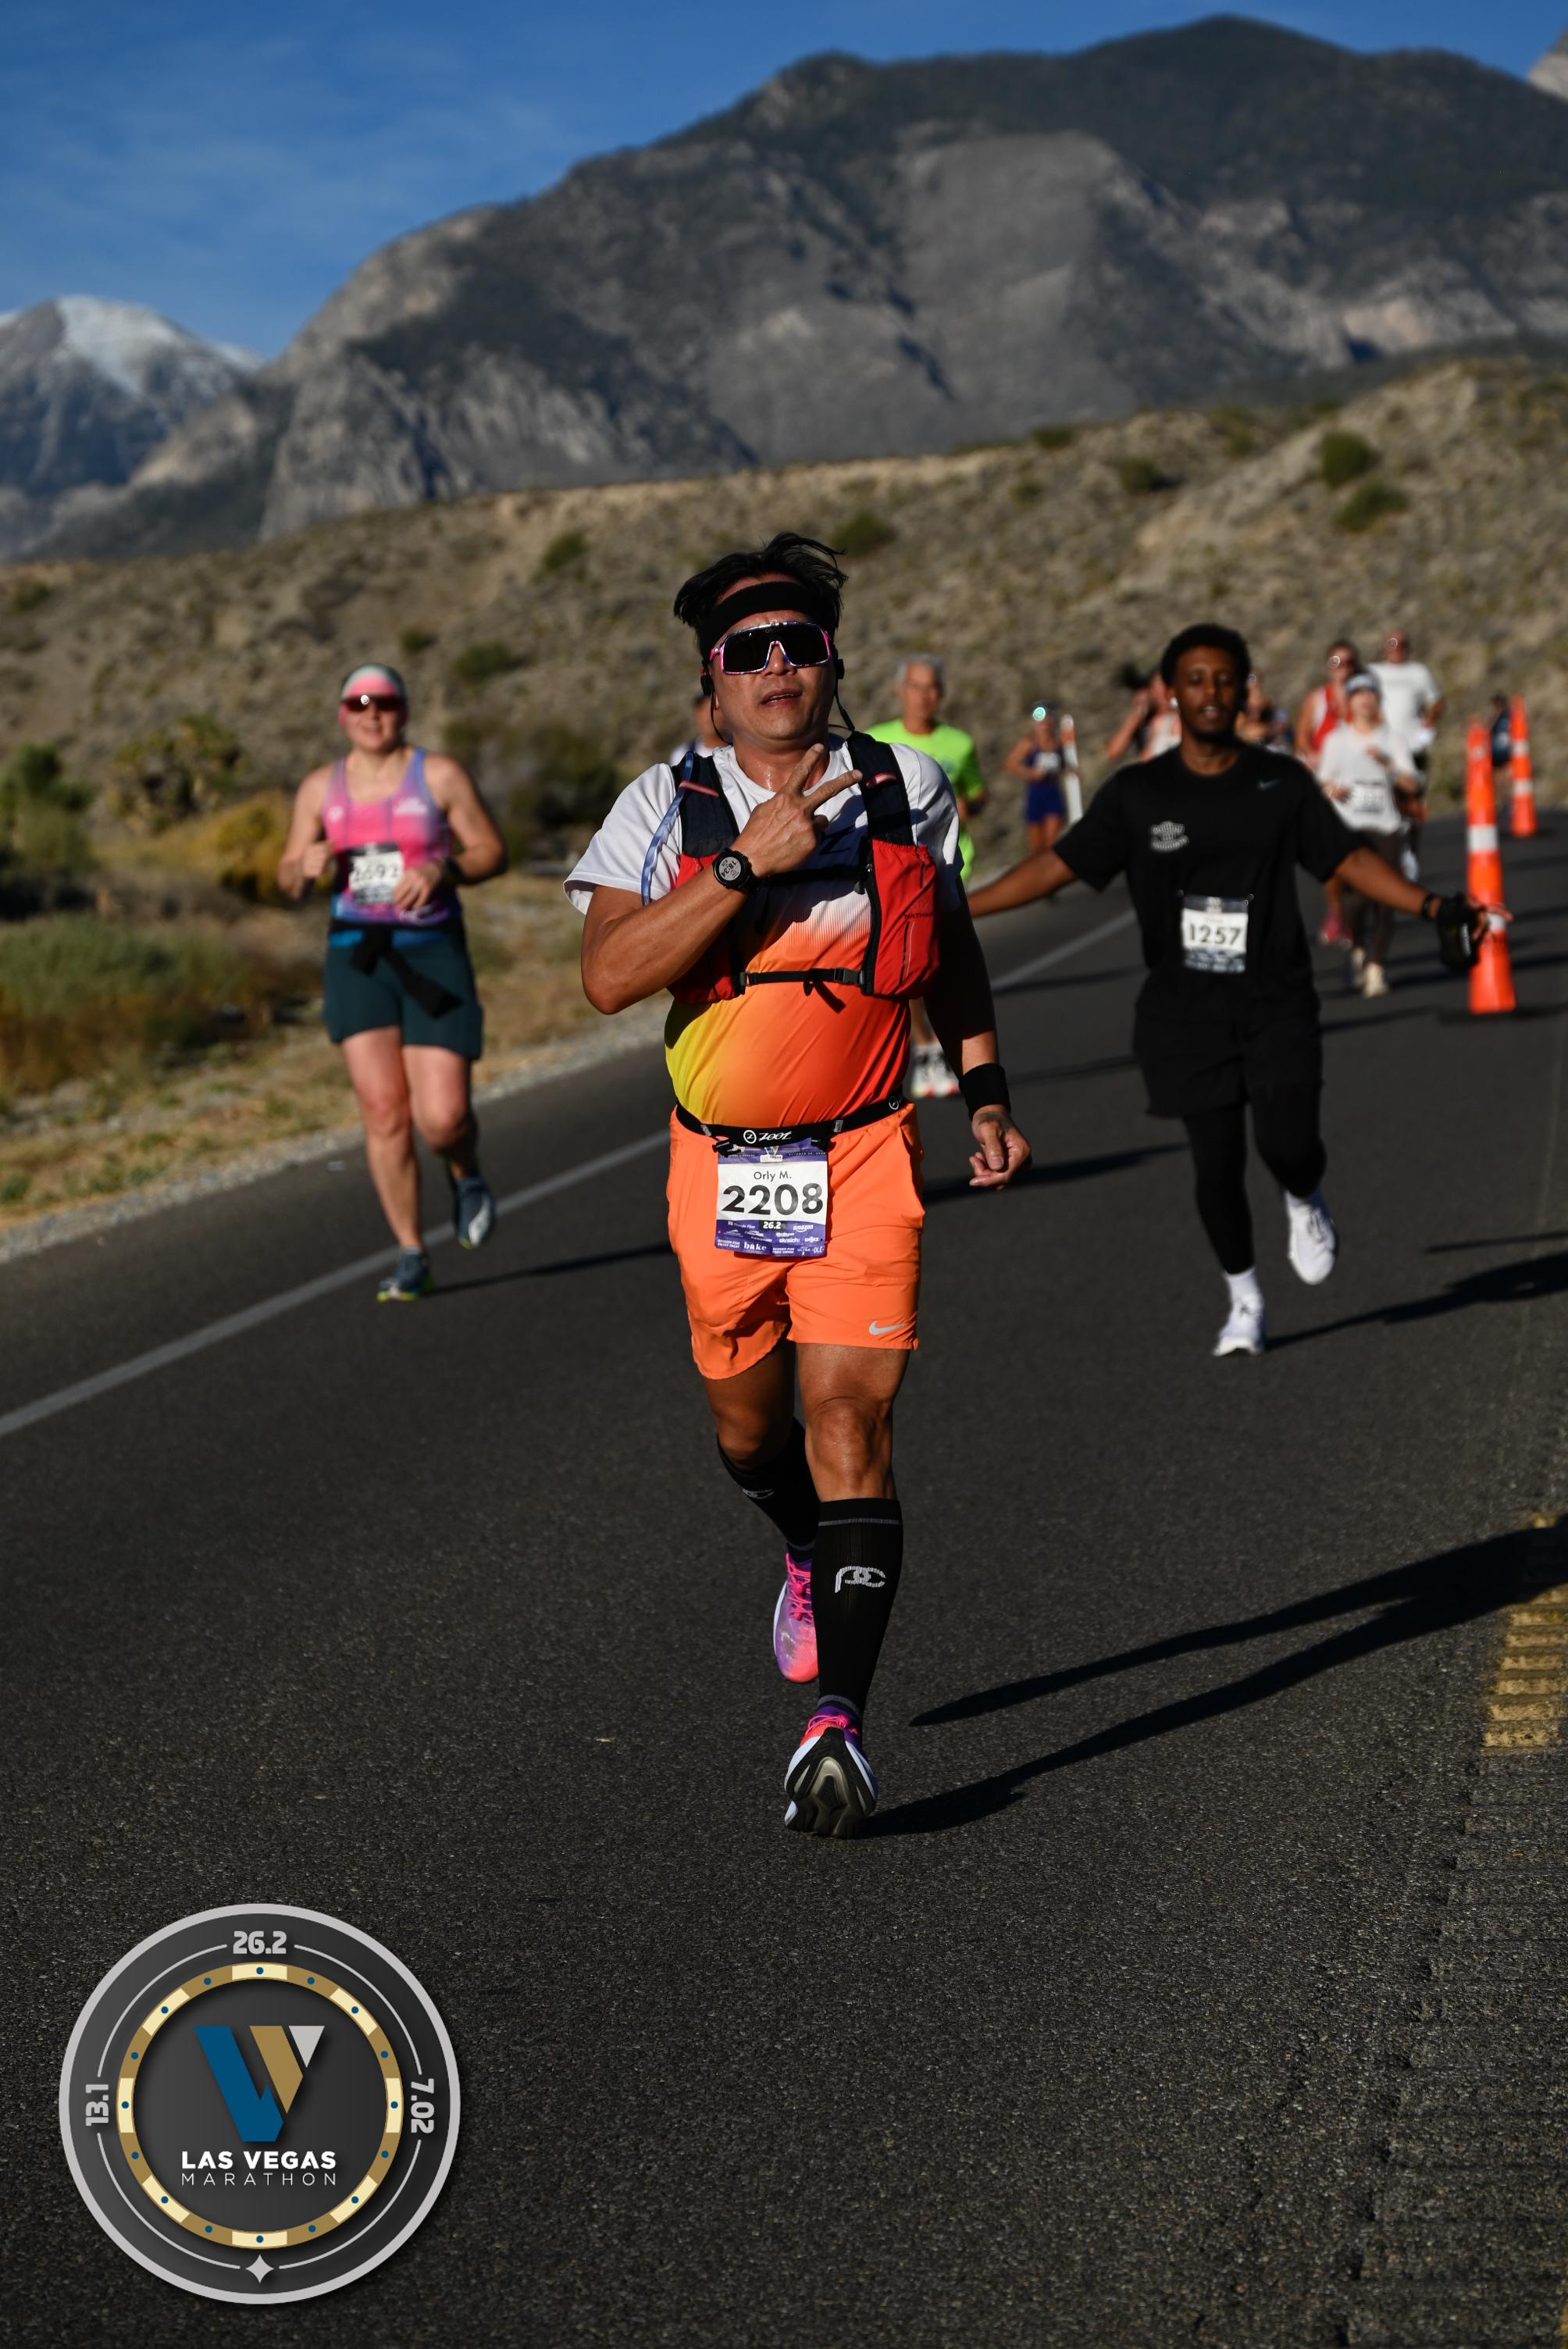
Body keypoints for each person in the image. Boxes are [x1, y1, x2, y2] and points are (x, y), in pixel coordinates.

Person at [566, 534, 1030, 1836]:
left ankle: (839, 1725)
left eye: (799, 643)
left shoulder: (905, 786)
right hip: (719, 1164)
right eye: (747, 650)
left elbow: (950, 948)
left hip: (866, 1148)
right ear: (711, 683)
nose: (777, 667)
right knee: (747, 1432)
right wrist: (741, 865)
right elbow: (607, 979)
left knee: (850, 1424)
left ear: (831, 662)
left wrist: (986, 1087)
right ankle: (798, 1544)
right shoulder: (661, 806)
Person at [968, 622, 1485, 1359]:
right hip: (1184, 1012)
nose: (1210, 692)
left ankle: (1302, 1196)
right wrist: (962, 906)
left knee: (1289, 1145)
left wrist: (1434, 906)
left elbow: (1348, 860)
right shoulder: (1140, 793)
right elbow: (1059, 865)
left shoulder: (1280, 783)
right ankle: (1245, 1299)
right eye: (1196, 680)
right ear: (1171, 694)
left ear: (1244, 690)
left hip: (1276, 999)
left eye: (1224, 679)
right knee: (1215, 1163)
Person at [278, 662, 508, 1301]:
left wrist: (442, 870)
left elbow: (492, 852)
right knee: (383, 1111)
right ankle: (411, 1252)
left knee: (443, 1116)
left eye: (383, 702)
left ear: (403, 710)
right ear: (341, 715)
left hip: (432, 952)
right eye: (358, 703)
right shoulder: (320, 787)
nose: (371, 713)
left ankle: (463, 1169)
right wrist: (304, 865)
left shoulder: (439, 775)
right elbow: (287, 876)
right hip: (357, 955)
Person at [867, 654, 989, 1100]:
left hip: (951, 863)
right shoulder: (876, 741)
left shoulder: (959, 743)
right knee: (916, 956)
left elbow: (978, 792)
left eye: (932, 687)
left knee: (944, 958)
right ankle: (925, 1045)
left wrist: (969, 805)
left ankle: (943, 1049)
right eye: (916, 686)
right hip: (898, 870)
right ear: (900, 691)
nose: (924, 696)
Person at [1316, 673, 1420, 997]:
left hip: (1384, 823)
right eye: (1358, 694)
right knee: (1357, 897)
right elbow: (1321, 783)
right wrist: (1331, 789)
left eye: (1370, 693)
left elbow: (1412, 784)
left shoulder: (1393, 738)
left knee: (1387, 896)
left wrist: (1388, 765)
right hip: (1349, 822)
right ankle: (1359, 946)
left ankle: (1376, 966)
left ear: (1378, 699)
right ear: (1348, 702)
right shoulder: (1337, 740)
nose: (1365, 700)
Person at [1294, 638, 1361, 943]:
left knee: (1363, 851)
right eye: (1336, 662)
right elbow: (1302, 737)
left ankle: (1358, 912)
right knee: (1333, 852)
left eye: (1348, 662)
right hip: (1328, 785)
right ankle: (1336, 911)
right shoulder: (1317, 699)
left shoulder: (1365, 696)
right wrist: (1311, 756)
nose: (1342, 668)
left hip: (1359, 783)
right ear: (1327, 667)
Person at [1370, 629, 1443, 769]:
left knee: (1414, 781)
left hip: (1412, 745)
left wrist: (1430, 719)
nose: (1396, 648)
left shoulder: (1419, 671)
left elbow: (1436, 701)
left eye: (1402, 644)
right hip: (1380, 746)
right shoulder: (1372, 672)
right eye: (1392, 643)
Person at [1004, 703, 1067, 854]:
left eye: (1047, 720)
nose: (1043, 724)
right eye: (1040, 720)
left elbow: (1067, 764)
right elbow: (1010, 764)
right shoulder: (1029, 744)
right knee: (1037, 848)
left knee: (1052, 844)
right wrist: (1030, 773)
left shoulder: (1059, 743)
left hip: (1053, 793)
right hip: (1035, 795)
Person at [669, 687, 727, 767]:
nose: (709, 715)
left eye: (714, 708)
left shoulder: (739, 751)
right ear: (695, 715)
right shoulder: (681, 754)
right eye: (703, 709)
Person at [1237, 671, 1292, 751]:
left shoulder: (1268, 703)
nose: (1253, 683)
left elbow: (1281, 725)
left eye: (1254, 679)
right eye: (1250, 679)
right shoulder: (1239, 705)